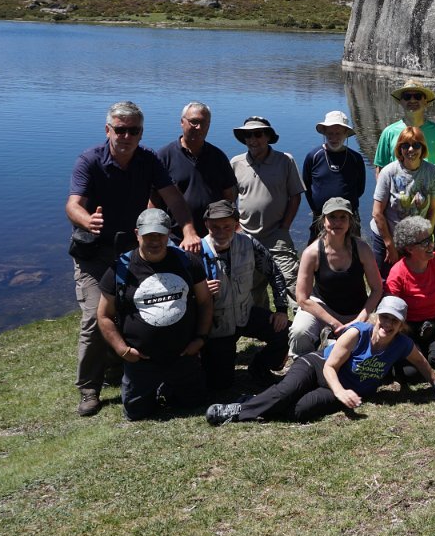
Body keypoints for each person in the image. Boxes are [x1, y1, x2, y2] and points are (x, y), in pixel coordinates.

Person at [66, 100, 202, 417]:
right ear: (108, 130)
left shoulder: (148, 160)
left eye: (134, 130)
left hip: (129, 251)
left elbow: (174, 200)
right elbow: (72, 204)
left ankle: (120, 367)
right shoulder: (89, 160)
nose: (126, 136)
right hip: (93, 254)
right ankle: (89, 389)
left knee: (137, 308)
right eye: (120, 129)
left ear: (141, 133)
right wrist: (87, 220)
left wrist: (189, 230)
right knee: (93, 318)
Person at [206, 296, 435, 425]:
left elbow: (421, 363)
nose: (387, 325)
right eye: (384, 318)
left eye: (394, 321)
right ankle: (236, 410)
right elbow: (330, 366)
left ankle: (259, 401)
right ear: (376, 317)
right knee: (285, 392)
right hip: (319, 366)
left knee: (299, 411)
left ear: (401, 325)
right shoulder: (358, 333)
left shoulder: (402, 344)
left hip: (343, 388)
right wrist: (340, 393)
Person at [96, 209, 212, 420]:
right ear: (137, 233)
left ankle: (169, 386)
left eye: (160, 234)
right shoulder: (120, 269)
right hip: (141, 361)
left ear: (168, 234)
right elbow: (103, 315)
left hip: (183, 356)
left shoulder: (188, 262)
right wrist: (123, 350)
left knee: (194, 404)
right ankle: (153, 387)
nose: (154, 240)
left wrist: (200, 339)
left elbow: (205, 302)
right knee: (137, 414)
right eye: (148, 235)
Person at [198, 200, 291, 390]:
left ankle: (259, 367)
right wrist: (199, 291)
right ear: (206, 224)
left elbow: (274, 272)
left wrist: (281, 309)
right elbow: (182, 295)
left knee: (284, 332)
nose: (221, 232)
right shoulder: (196, 252)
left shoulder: (249, 244)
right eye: (215, 227)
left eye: (227, 226)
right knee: (221, 386)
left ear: (236, 225)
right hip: (216, 324)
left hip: (245, 313)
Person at [288, 198, 383, 356]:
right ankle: (303, 364)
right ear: (323, 220)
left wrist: (361, 318)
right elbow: (302, 298)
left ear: (350, 221)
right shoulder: (311, 253)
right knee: (299, 332)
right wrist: (333, 323)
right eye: (332, 217)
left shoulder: (362, 249)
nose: (337, 222)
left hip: (356, 311)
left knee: (376, 341)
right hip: (323, 309)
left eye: (342, 217)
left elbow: (377, 289)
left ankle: (331, 344)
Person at [230, 115, 305, 302]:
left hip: (277, 235)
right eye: (247, 136)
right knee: (251, 284)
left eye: (257, 134)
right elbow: (229, 201)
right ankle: (265, 325)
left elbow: (295, 196)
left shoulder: (285, 161)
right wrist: (237, 228)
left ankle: (307, 326)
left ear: (268, 137)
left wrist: (285, 227)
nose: (252, 140)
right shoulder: (236, 163)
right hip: (246, 235)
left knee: (292, 282)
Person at [374, 79, 435, 246]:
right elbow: (380, 169)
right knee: (399, 249)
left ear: (426, 101)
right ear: (401, 101)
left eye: (417, 96)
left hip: (432, 205)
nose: (412, 100)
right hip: (399, 206)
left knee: (430, 248)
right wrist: (383, 202)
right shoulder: (389, 132)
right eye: (407, 96)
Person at [385, 216, 435, 374]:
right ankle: (419, 351)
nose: (431, 245)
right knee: (408, 373)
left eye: (430, 238)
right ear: (409, 248)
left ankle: (427, 350)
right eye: (424, 242)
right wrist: (406, 341)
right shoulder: (397, 274)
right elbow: (390, 316)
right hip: (407, 328)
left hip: (434, 324)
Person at [155, 101, 237, 241]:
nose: (198, 127)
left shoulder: (218, 157)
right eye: (193, 122)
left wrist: (230, 225)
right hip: (175, 237)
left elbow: (229, 196)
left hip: (213, 236)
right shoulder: (164, 156)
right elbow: (154, 201)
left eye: (204, 123)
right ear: (182, 122)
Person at [370, 126, 435, 279]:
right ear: (399, 149)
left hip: (415, 239)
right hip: (387, 234)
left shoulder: (433, 171)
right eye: (405, 145)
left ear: (422, 148)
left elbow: (433, 210)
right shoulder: (388, 172)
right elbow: (377, 213)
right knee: (385, 281)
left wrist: (425, 239)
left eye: (416, 145)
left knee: (414, 280)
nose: (411, 150)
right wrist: (390, 245)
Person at [302, 110, 366, 236]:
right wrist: (316, 209)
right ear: (324, 133)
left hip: (349, 216)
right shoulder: (313, 156)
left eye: (338, 133)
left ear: (346, 134)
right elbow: (306, 186)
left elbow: (360, 189)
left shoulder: (356, 158)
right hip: (320, 216)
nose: (334, 138)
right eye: (330, 133)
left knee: (353, 251)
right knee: (317, 252)